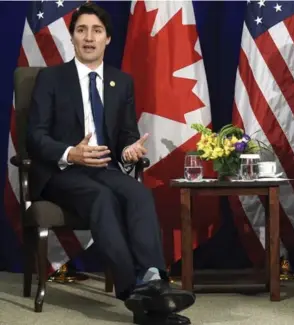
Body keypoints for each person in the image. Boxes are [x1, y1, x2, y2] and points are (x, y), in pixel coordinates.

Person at [26, 3, 195, 324]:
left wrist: (129, 150)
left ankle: (152, 279)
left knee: (139, 194)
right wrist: (69, 153)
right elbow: (34, 136)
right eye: (81, 30)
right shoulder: (51, 78)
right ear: (73, 38)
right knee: (101, 199)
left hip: (105, 169)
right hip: (63, 173)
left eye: (97, 31)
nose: (89, 38)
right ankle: (136, 294)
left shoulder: (122, 82)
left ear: (108, 39)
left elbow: (126, 137)